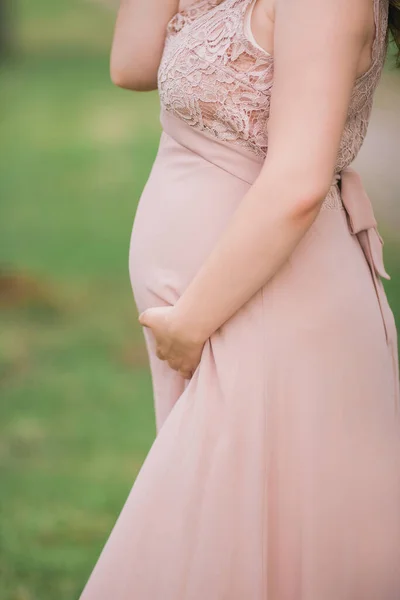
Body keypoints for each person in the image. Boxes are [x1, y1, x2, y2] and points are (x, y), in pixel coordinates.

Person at [79, 0, 400, 597]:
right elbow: (131, 62)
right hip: (216, 319)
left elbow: (299, 182)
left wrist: (190, 322)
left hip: (269, 311)